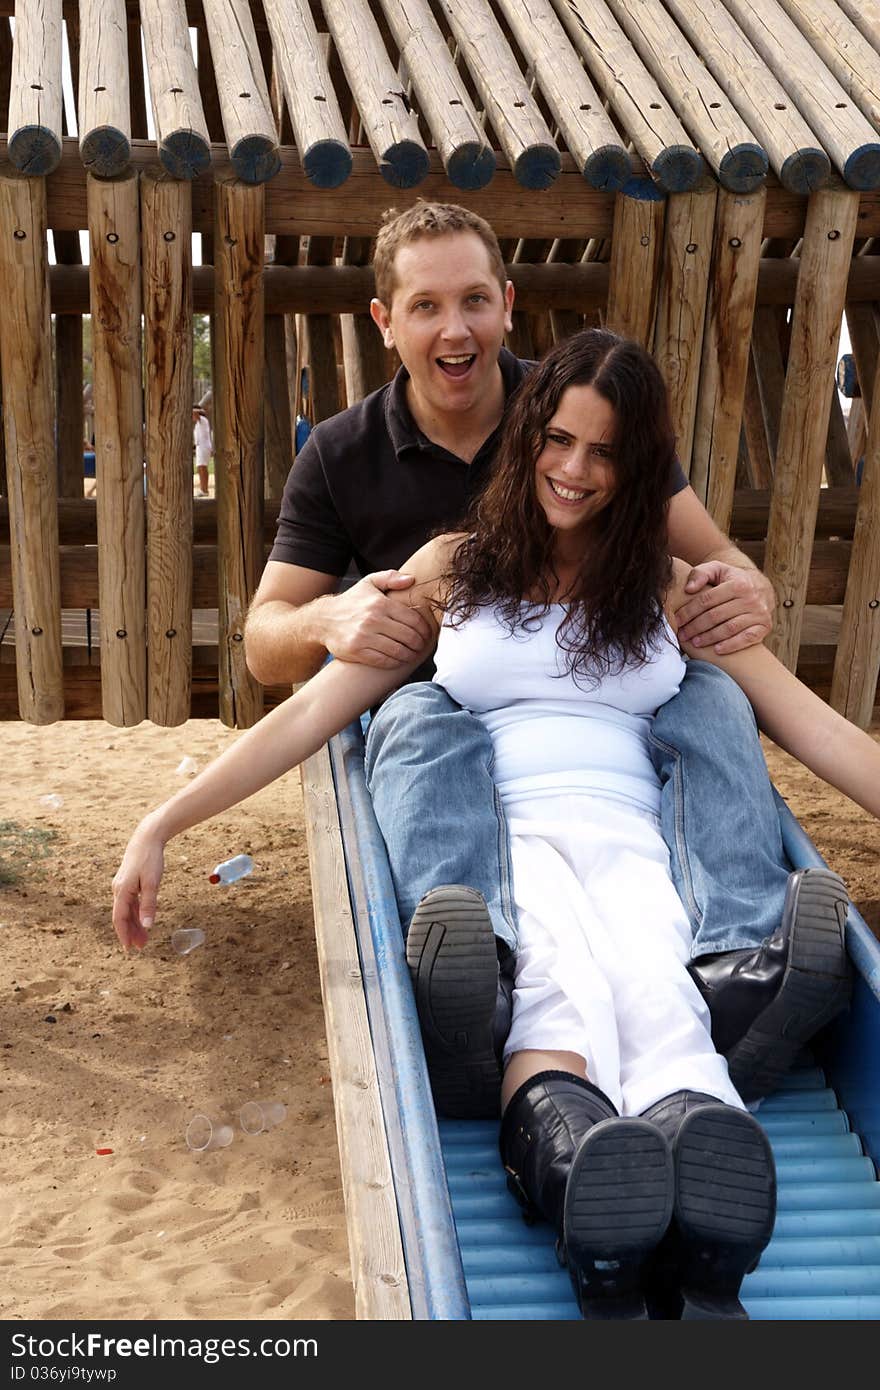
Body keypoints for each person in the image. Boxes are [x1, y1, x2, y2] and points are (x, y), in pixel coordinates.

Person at [112, 330, 879, 1318]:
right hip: (498, 828)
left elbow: (817, 727)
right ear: (526, 439)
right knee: (553, 978)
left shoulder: (661, 585)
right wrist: (163, 822)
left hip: (639, 824)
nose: (574, 469)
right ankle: (578, 1175)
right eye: (558, 439)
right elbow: (309, 710)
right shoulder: (453, 569)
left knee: (657, 983)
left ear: (636, 466)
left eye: (605, 452)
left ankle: (703, 1190)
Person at [242, 202, 849, 1114]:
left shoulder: (576, 409)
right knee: (416, 720)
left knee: (713, 698)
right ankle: (472, 965)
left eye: (476, 300)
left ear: (509, 304)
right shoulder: (344, 458)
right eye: (427, 306)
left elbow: (710, 569)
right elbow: (267, 648)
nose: (456, 328)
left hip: (604, 735)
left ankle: (733, 954)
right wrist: (332, 620)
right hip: (437, 716)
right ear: (385, 321)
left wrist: (742, 584)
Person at [192, 407, 213, 498]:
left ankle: (204, 489)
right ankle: (203, 488)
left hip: (204, 447)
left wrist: (195, 409)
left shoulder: (203, 420)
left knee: (202, 468)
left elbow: (196, 414)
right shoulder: (197, 424)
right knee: (200, 468)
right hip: (199, 447)